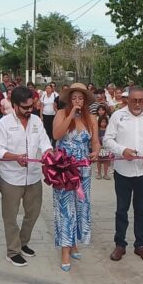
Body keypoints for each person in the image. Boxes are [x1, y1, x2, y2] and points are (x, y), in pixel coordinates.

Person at [103, 86, 143, 262]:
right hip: (123, 172)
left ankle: (141, 245)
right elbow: (107, 140)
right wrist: (122, 150)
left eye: (141, 101)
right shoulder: (118, 116)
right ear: (127, 100)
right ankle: (120, 245)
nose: (137, 104)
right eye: (134, 100)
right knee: (121, 210)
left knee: (141, 211)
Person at [0, 86, 53, 267]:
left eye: (31, 106)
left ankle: (23, 242)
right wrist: (15, 157)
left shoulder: (36, 121)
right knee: (10, 217)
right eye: (25, 107)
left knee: (33, 213)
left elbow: (45, 142)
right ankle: (13, 251)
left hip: (34, 176)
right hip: (11, 178)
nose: (29, 110)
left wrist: (50, 154)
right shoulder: (3, 123)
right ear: (15, 105)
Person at [51, 83, 99, 271]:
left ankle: (74, 243)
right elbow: (56, 134)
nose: (77, 101)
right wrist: (71, 115)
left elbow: (95, 142)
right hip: (63, 169)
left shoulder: (91, 118)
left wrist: (95, 152)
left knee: (81, 208)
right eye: (74, 98)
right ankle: (65, 250)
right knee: (65, 209)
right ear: (69, 100)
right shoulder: (62, 114)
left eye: (81, 98)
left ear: (85, 100)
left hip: (83, 169)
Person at [96, 115, 112, 180]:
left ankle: (105, 174)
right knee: (99, 161)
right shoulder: (97, 130)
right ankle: (99, 173)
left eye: (105, 122)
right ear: (99, 122)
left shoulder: (108, 130)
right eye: (102, 122)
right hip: (99, 148)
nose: (103, 123)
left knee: (106, 161)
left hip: (106, 148)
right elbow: (95, 139)